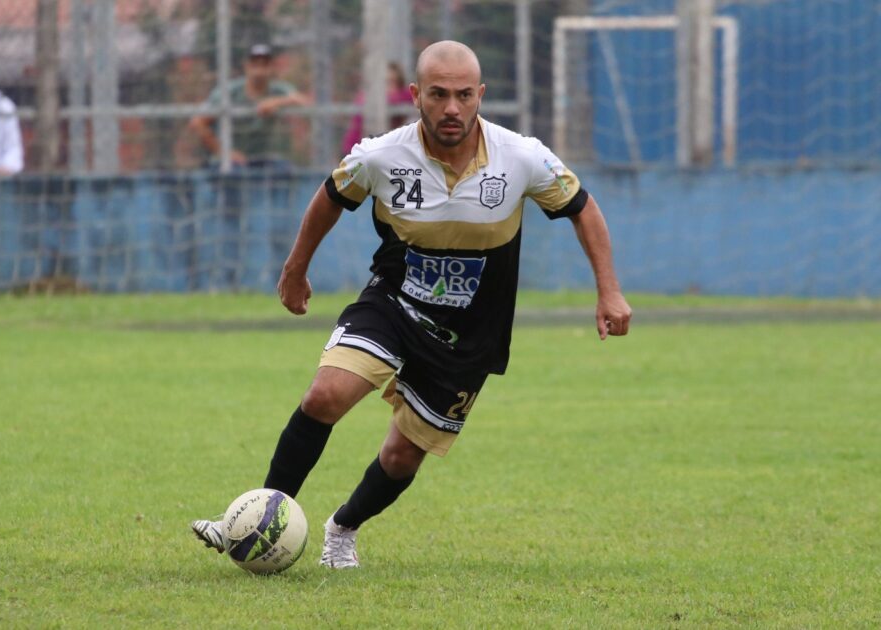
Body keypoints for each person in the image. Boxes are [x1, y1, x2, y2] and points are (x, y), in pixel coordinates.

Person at [191, 41, 632, 568]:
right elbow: (330, 197)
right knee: (325, 395)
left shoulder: (522, 156)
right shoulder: (380, 155)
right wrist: (295, 269)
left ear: (481, 95)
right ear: (416, 95)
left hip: (470, 335)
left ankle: (342, 529)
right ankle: (255, 519)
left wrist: (609, 289)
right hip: (394, 304)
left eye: (464, 95)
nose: (452, 108)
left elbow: (583, 209)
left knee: (402, 457)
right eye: (439, 94)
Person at [181, 43, 309, 169]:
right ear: (246, 66)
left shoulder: (278, 89)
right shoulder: (229, 92)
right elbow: (197, 122)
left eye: (264, 63)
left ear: (272, 67)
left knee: (286, 171)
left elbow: (303, 100)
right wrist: (224, 153)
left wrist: (275, 101)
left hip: (261, 159)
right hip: (230, 162)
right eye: (255, 63)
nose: (259, 68)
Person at [340, 61, 415, 154]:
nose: (389, 87)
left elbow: (410, 95)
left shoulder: (402, 97)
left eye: (393, 82)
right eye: (385, 82)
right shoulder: (366, 98)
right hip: (355, 151)